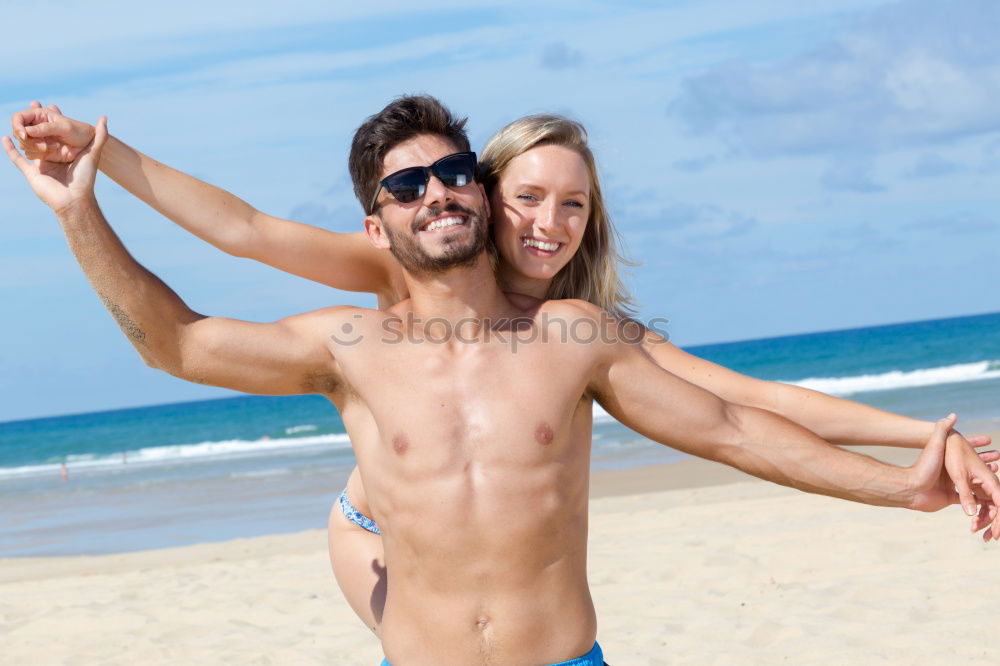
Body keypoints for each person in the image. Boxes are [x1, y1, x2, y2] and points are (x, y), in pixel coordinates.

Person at [5, 97, 998, 665]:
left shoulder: (579, 335)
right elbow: (182, 328)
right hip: (382, 557)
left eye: (453, 175)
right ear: (375, 224)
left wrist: (911, 474)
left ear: (478, 191)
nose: (435, 192)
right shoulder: (350, 337)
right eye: (405, 186)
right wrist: (84, 196)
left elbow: (736, 423)